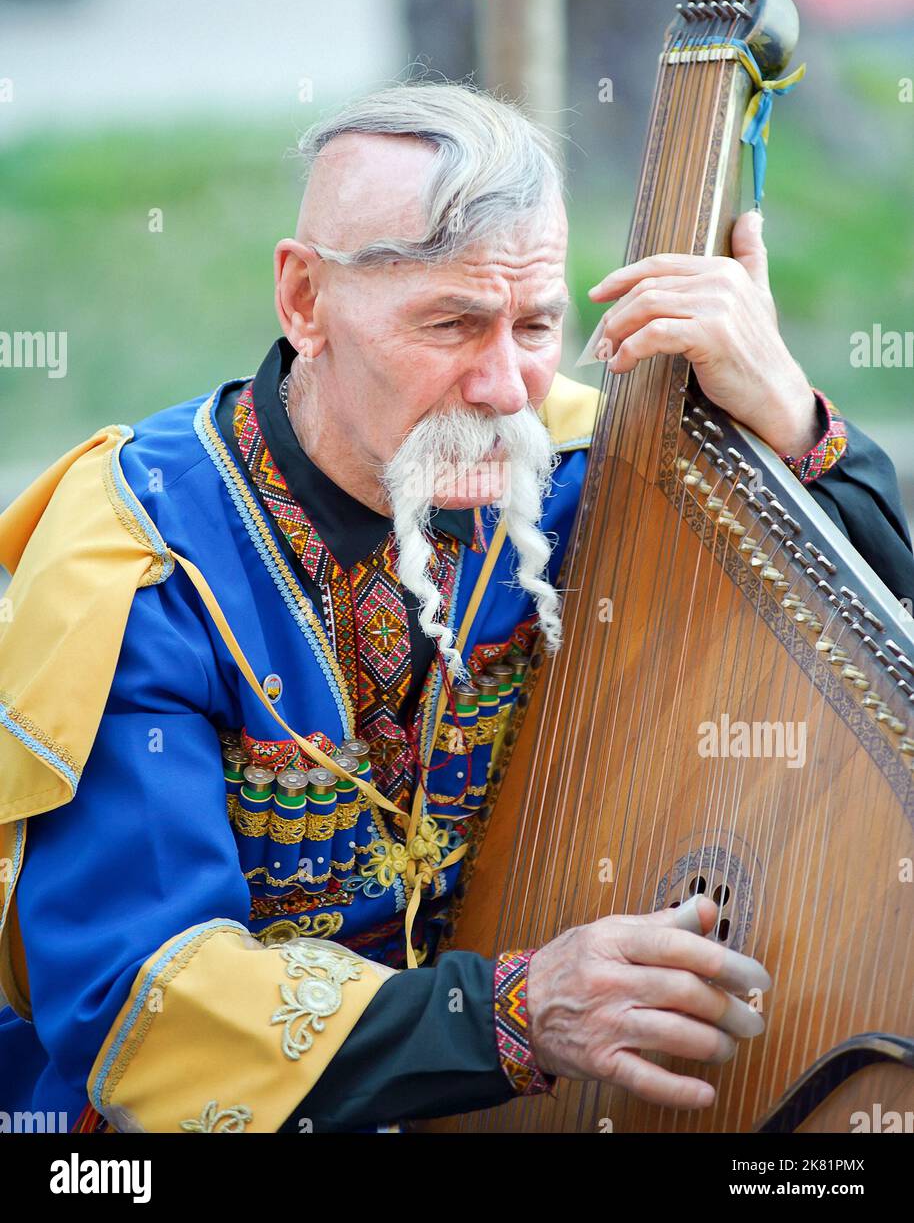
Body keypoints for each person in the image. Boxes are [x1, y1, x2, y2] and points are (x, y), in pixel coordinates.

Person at [1, 83, 912, 1135]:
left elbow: (869, 672)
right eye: (449, 322)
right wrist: (513, 1017)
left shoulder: (590, 470)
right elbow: (138, 1007)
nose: (503, 387)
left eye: (534, 324)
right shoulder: (138, 555)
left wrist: (790, 420)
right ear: (303, 302)